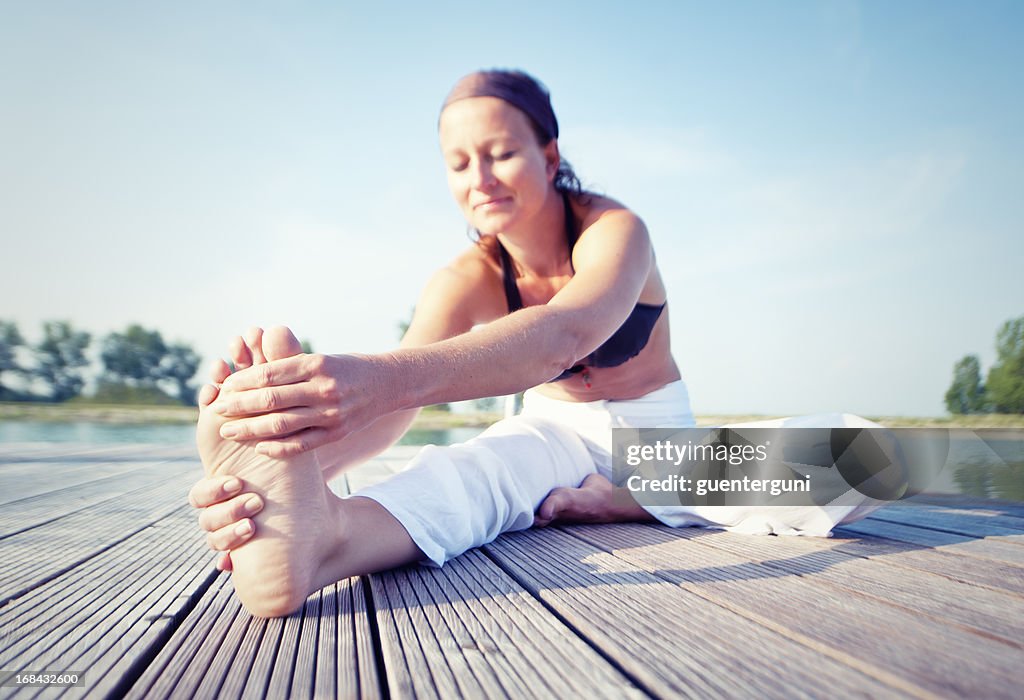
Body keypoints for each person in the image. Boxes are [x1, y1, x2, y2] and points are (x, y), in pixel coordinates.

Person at [189, 69, 882, 619]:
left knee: (864, 458)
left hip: (657, 435)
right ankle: (320, 540)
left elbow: (565, 334)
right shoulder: (467, 276)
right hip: (553, 434)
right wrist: (291, 455)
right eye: (458, 164)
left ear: (548, 156)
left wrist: (380, 376)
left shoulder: (616, 231)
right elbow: (395, 411)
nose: (479, 179)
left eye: (500, 154)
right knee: (474, 474)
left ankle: (632, 500)